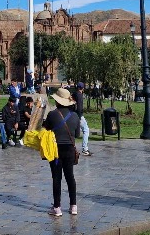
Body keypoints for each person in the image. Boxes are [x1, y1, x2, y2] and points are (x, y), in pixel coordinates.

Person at [43, 87, 81, 217]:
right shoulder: (75, 116)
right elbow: (77, 134)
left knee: (57, 177)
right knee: (70, 177)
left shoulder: (52, 115)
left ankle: (57, 207)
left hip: (56, 150)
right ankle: (73, 206)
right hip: (70, 149)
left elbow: (45, 130)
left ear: (57, 101)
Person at [73, 83, 91, 157]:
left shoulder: (74, 94)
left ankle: (72, 148)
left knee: (73, 131)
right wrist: (79, 116)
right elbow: (79, 107)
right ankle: (85, 149)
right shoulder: (79, 95)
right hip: (78, 115)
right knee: (86, 130)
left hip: (72, 114)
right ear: (82, 88)